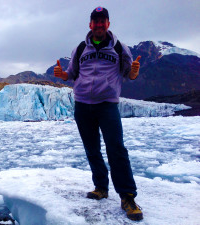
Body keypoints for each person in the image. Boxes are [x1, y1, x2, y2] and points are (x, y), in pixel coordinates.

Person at [54, 6, 143, 221]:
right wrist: (62, 74)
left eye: (103, 21)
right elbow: (72, 73)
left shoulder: (120, 48)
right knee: (92, 149)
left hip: (107, 105)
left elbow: (127, 73)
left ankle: (128, 197)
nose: (99, 25)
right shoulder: (80, 48)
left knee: (116, 149)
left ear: (108, 24)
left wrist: (133, 73)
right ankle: (101, 187)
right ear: (90, 24)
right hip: (83, 105)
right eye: (96, 21)